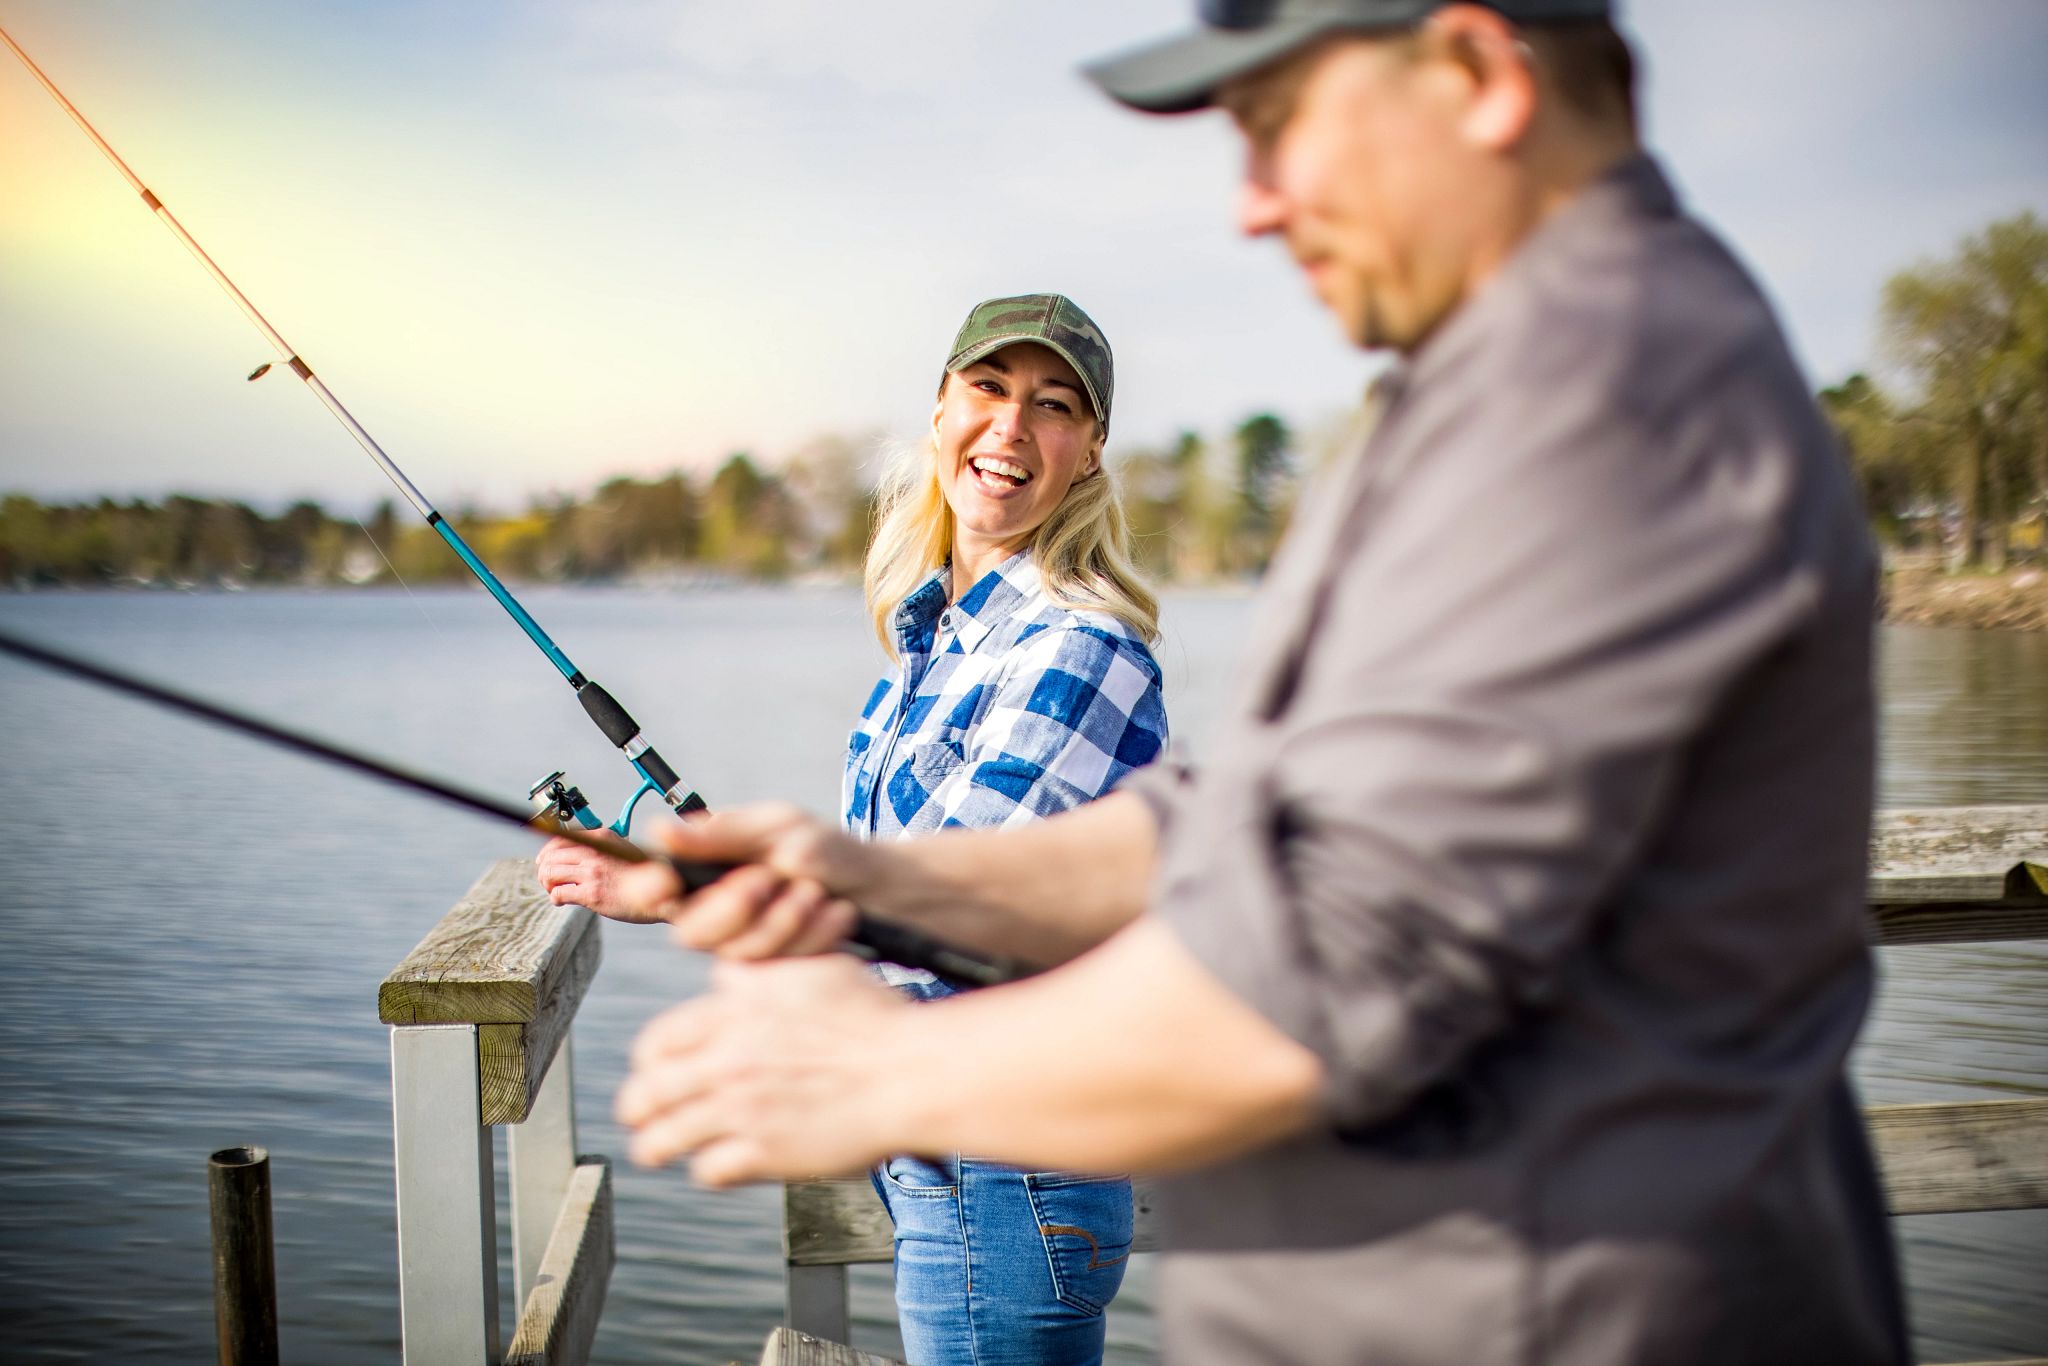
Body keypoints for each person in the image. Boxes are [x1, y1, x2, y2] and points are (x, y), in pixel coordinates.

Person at [607, 4, 1910, 1362]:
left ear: (1471, 75)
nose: (1252, 207)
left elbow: (1344, 964)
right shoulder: (1490, 387)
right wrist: (873, 878)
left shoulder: (1609, 397)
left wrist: (880, 1068)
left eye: (1277, 127)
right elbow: (1251, 824)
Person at [540, 293, 1167, 1366]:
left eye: (1052, 406)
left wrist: (680, 891)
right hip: (950, 1155)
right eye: (988, 389)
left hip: (1003, 1163)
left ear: (1088, 455)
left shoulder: (1076, 648)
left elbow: (949, 908)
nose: (1011, 428)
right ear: (939, 416)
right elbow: (876, 876)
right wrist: (684, 868)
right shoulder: (931, 646)